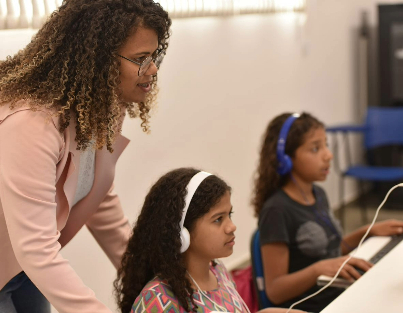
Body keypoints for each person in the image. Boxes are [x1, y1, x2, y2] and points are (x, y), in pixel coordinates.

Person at [0, 1, 171, 312]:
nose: (153, 68)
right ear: (97, 60)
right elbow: (37, 249)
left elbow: (96, 197)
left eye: (154, 56)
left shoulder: (99, 106)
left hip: (20, 266)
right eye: (140, 59)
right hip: (24, 259)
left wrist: (152, 280)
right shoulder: (31, 123)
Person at [251, 112, 403, 312]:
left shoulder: (317, 193)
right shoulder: (276, 211)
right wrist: (318, 270)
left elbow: (328, 251)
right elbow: (275, 290)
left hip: (340, 290)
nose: (328, 155)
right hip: (317, 306)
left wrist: (367, 231)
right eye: (315, 148)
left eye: (326, 145)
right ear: (286, 159)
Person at [114, 167, 306, 313]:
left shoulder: (217, 270)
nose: (231, 226)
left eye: (229, 215)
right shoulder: (157, 300)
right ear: (181, 232)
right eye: (218, 219)